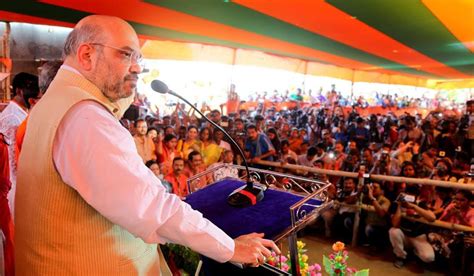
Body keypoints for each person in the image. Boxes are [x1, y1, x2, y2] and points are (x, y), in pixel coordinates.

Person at [15, 15, 279, 274]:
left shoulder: (58, 101)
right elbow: (152, 207)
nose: (138, 67)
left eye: (139, 58)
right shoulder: (86, 117)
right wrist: (230, 248)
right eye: (126, 54)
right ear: (87, 55)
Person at [0, 72, 39, 214]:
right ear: (18, 91)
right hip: (14, 185)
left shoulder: (21, 113)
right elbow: (11, 161)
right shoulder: (12, 117)